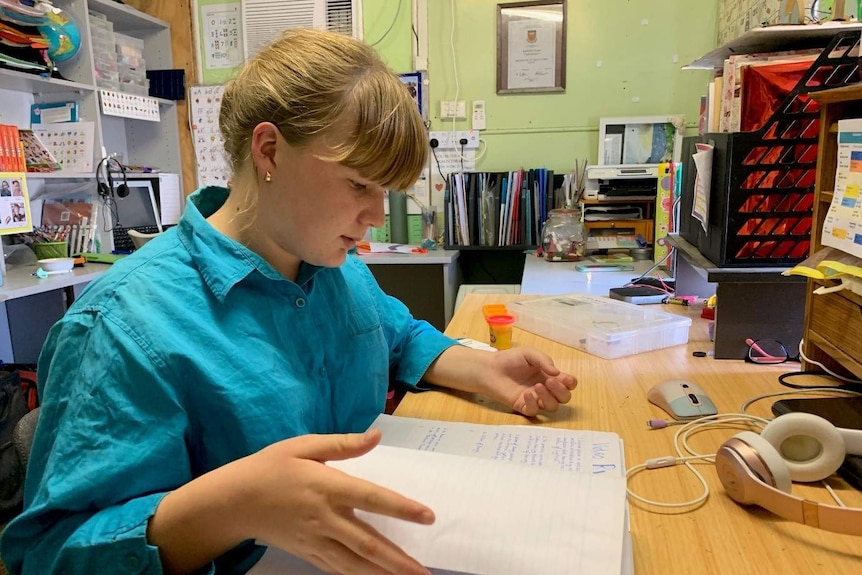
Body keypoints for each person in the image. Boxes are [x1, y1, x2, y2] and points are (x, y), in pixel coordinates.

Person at [0, 29, 577, 575]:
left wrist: (482, 367)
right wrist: (234, 506)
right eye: (359, 184)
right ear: (269, 150)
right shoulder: (121, 327)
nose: (376, 216)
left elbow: (396, 334)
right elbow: (51, 555)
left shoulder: (336, 271)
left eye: (385, 191)